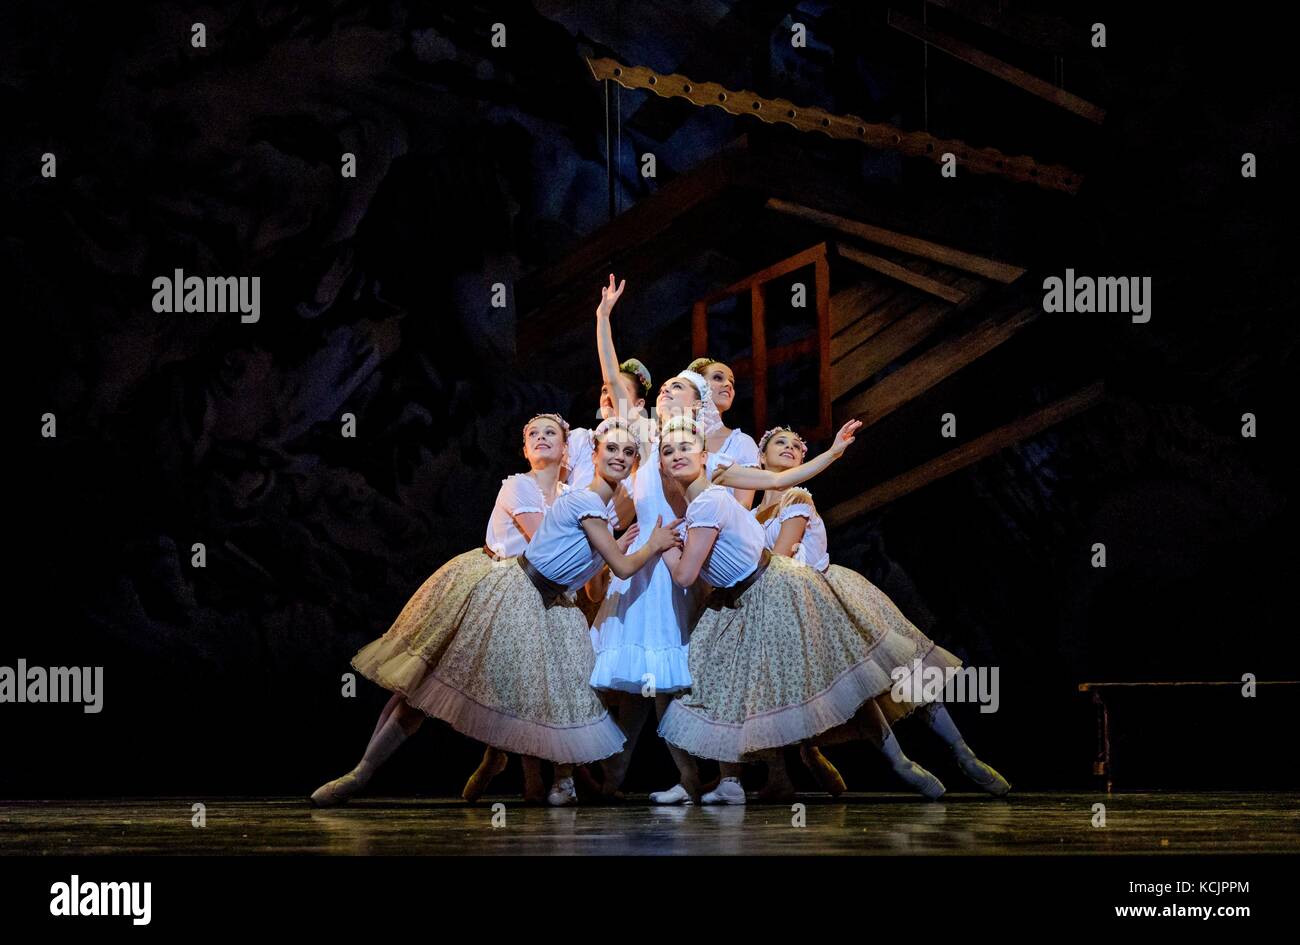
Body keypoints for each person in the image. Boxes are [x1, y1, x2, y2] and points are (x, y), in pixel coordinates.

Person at [655, 415, 953, 804]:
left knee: (833, 675)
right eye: (667, 450)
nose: (677, 454)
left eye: (685, 447)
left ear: (704, 454)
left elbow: (685, 574)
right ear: (660, 463)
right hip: (742, 598)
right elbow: (771, 485)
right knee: (743, 686)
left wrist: (663, 546)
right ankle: (740, 780)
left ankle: (896, 761)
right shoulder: (709, 500)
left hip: (777, 587)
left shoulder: (712, 496)